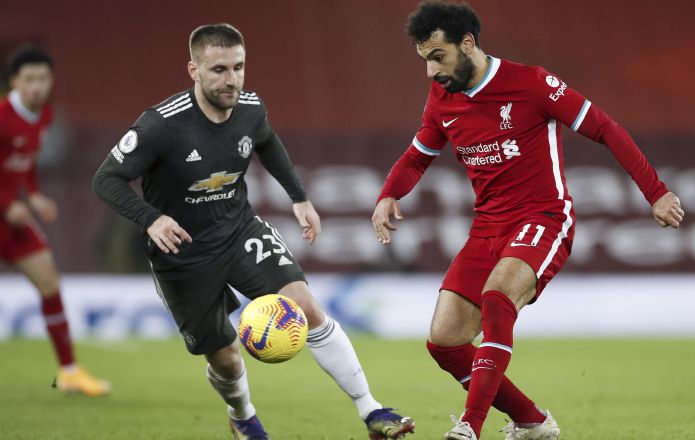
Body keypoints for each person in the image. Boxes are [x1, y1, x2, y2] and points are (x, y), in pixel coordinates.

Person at [371, 2, 684, 440]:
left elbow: (604, 127)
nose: (431, 72)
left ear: (467, 44)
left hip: (544, 218)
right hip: (487, 228)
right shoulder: (442, 98)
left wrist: (656, 191)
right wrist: (389, 193)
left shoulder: (532, 83)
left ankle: (469, 427)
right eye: (425, 60)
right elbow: (417, 157)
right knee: (444, 341)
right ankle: (532, 422)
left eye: (438, 57)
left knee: (499, 296)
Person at [92, 23, 415, 440]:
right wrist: (150, 218)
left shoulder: (249, 107)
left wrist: (298, 196)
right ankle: (243, 416)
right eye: (219, 70)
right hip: (183, 254)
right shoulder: (161, 125)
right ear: (193, 70)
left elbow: (265, 140)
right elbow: (106, 179)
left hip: (239, 230)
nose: (232, 80)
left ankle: (372, 411)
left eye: (239, 68)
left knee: (307, 308)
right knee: (225, 355)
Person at [0, 46, 110, 397]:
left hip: (12, 220)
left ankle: (69, 372)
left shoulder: (43, 116)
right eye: (28, 79)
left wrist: (31, 195)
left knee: (49, 281)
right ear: (14, 82)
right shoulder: (2, 117)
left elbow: (23, 165)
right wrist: (6, 205)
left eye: (42, 78)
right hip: (5, 213)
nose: (36, 86)